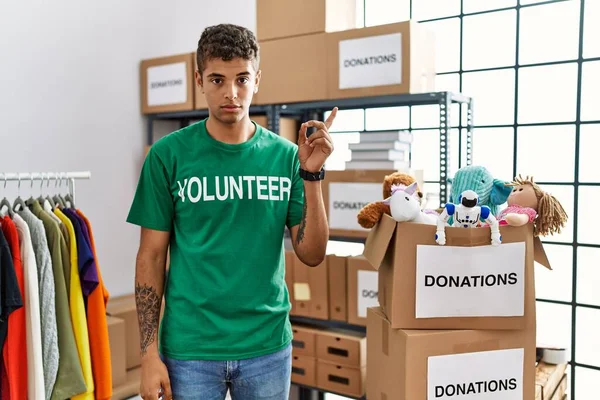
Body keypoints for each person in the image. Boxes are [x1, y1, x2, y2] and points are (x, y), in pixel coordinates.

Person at [127, 23, 337, 399]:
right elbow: (151, 256)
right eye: (217, 80)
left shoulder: (287, 157)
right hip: (190, 349)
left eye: (242, 79)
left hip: (267, 346)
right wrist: (148, 355)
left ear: (257, 79)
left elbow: (312, 253)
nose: (231, 93)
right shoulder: (167, 156)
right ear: (199, 79)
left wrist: (313, 174)